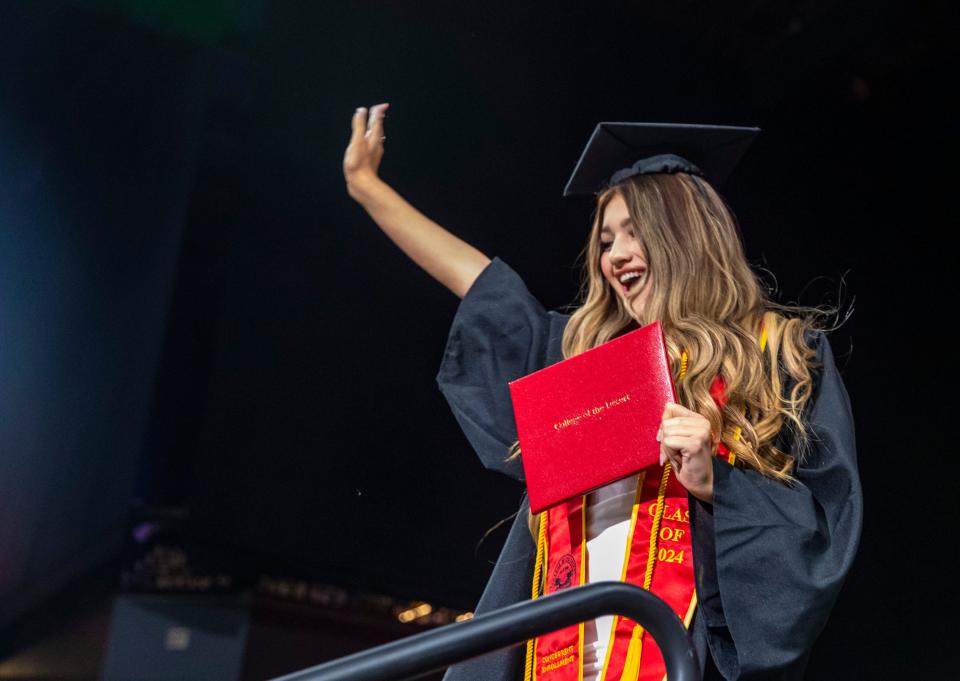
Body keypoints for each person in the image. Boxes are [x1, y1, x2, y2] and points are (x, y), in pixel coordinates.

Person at [343, 104, 862, 681]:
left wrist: (719, 483)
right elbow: (483, 288)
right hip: (555, 658)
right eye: (607, 239)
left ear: (684, 236)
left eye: (635, 233)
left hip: (677, 656)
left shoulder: (777, 351)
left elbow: (824, 523)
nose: (614, 256)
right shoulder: (584, 364)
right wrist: (367, 189)